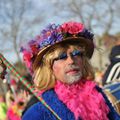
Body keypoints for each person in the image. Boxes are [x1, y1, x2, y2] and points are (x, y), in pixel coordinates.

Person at [21, 21, 120, 120]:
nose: (71, 61)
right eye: (62, 57)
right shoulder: (37, 114)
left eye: (76, 54)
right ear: (48, 68)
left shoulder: (99, 95)